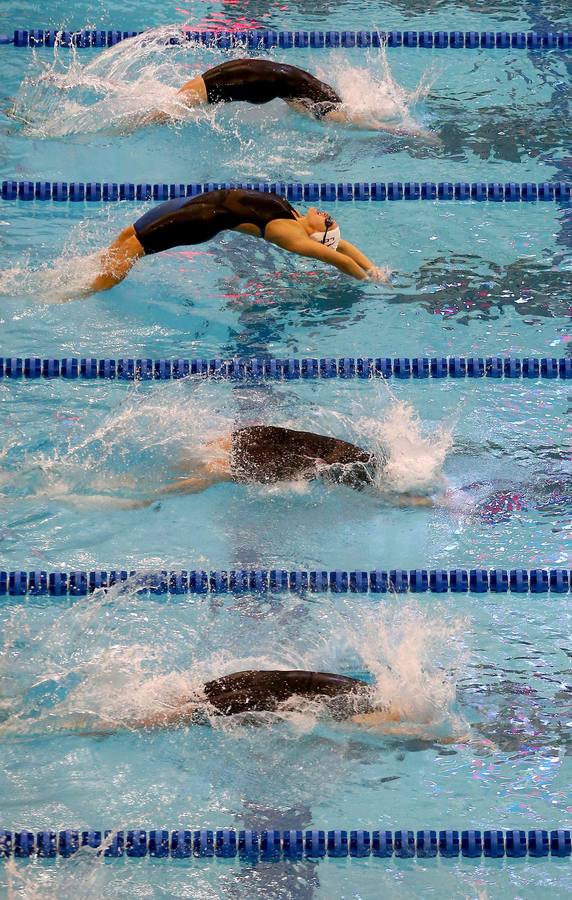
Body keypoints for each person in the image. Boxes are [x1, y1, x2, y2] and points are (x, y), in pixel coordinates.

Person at [86, 188, 390, 294]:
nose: (326, 213)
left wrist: (365, 280)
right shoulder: (296, 215)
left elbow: (337, 257)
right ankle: (96, 272)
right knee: (128, 235)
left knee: (134, 250)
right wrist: (374, 269)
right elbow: (342, 246)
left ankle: (88, 290)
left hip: (203, 218)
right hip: (194, 201)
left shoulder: (293, 235)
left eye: (328, 221)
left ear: (316, 234)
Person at [140, 58, 436, 138]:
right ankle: (400, 130)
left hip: (243, 72)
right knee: (170, 110)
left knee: (173, 106)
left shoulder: (312, 98)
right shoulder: (312, 98)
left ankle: (400, 130)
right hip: (256, 77)